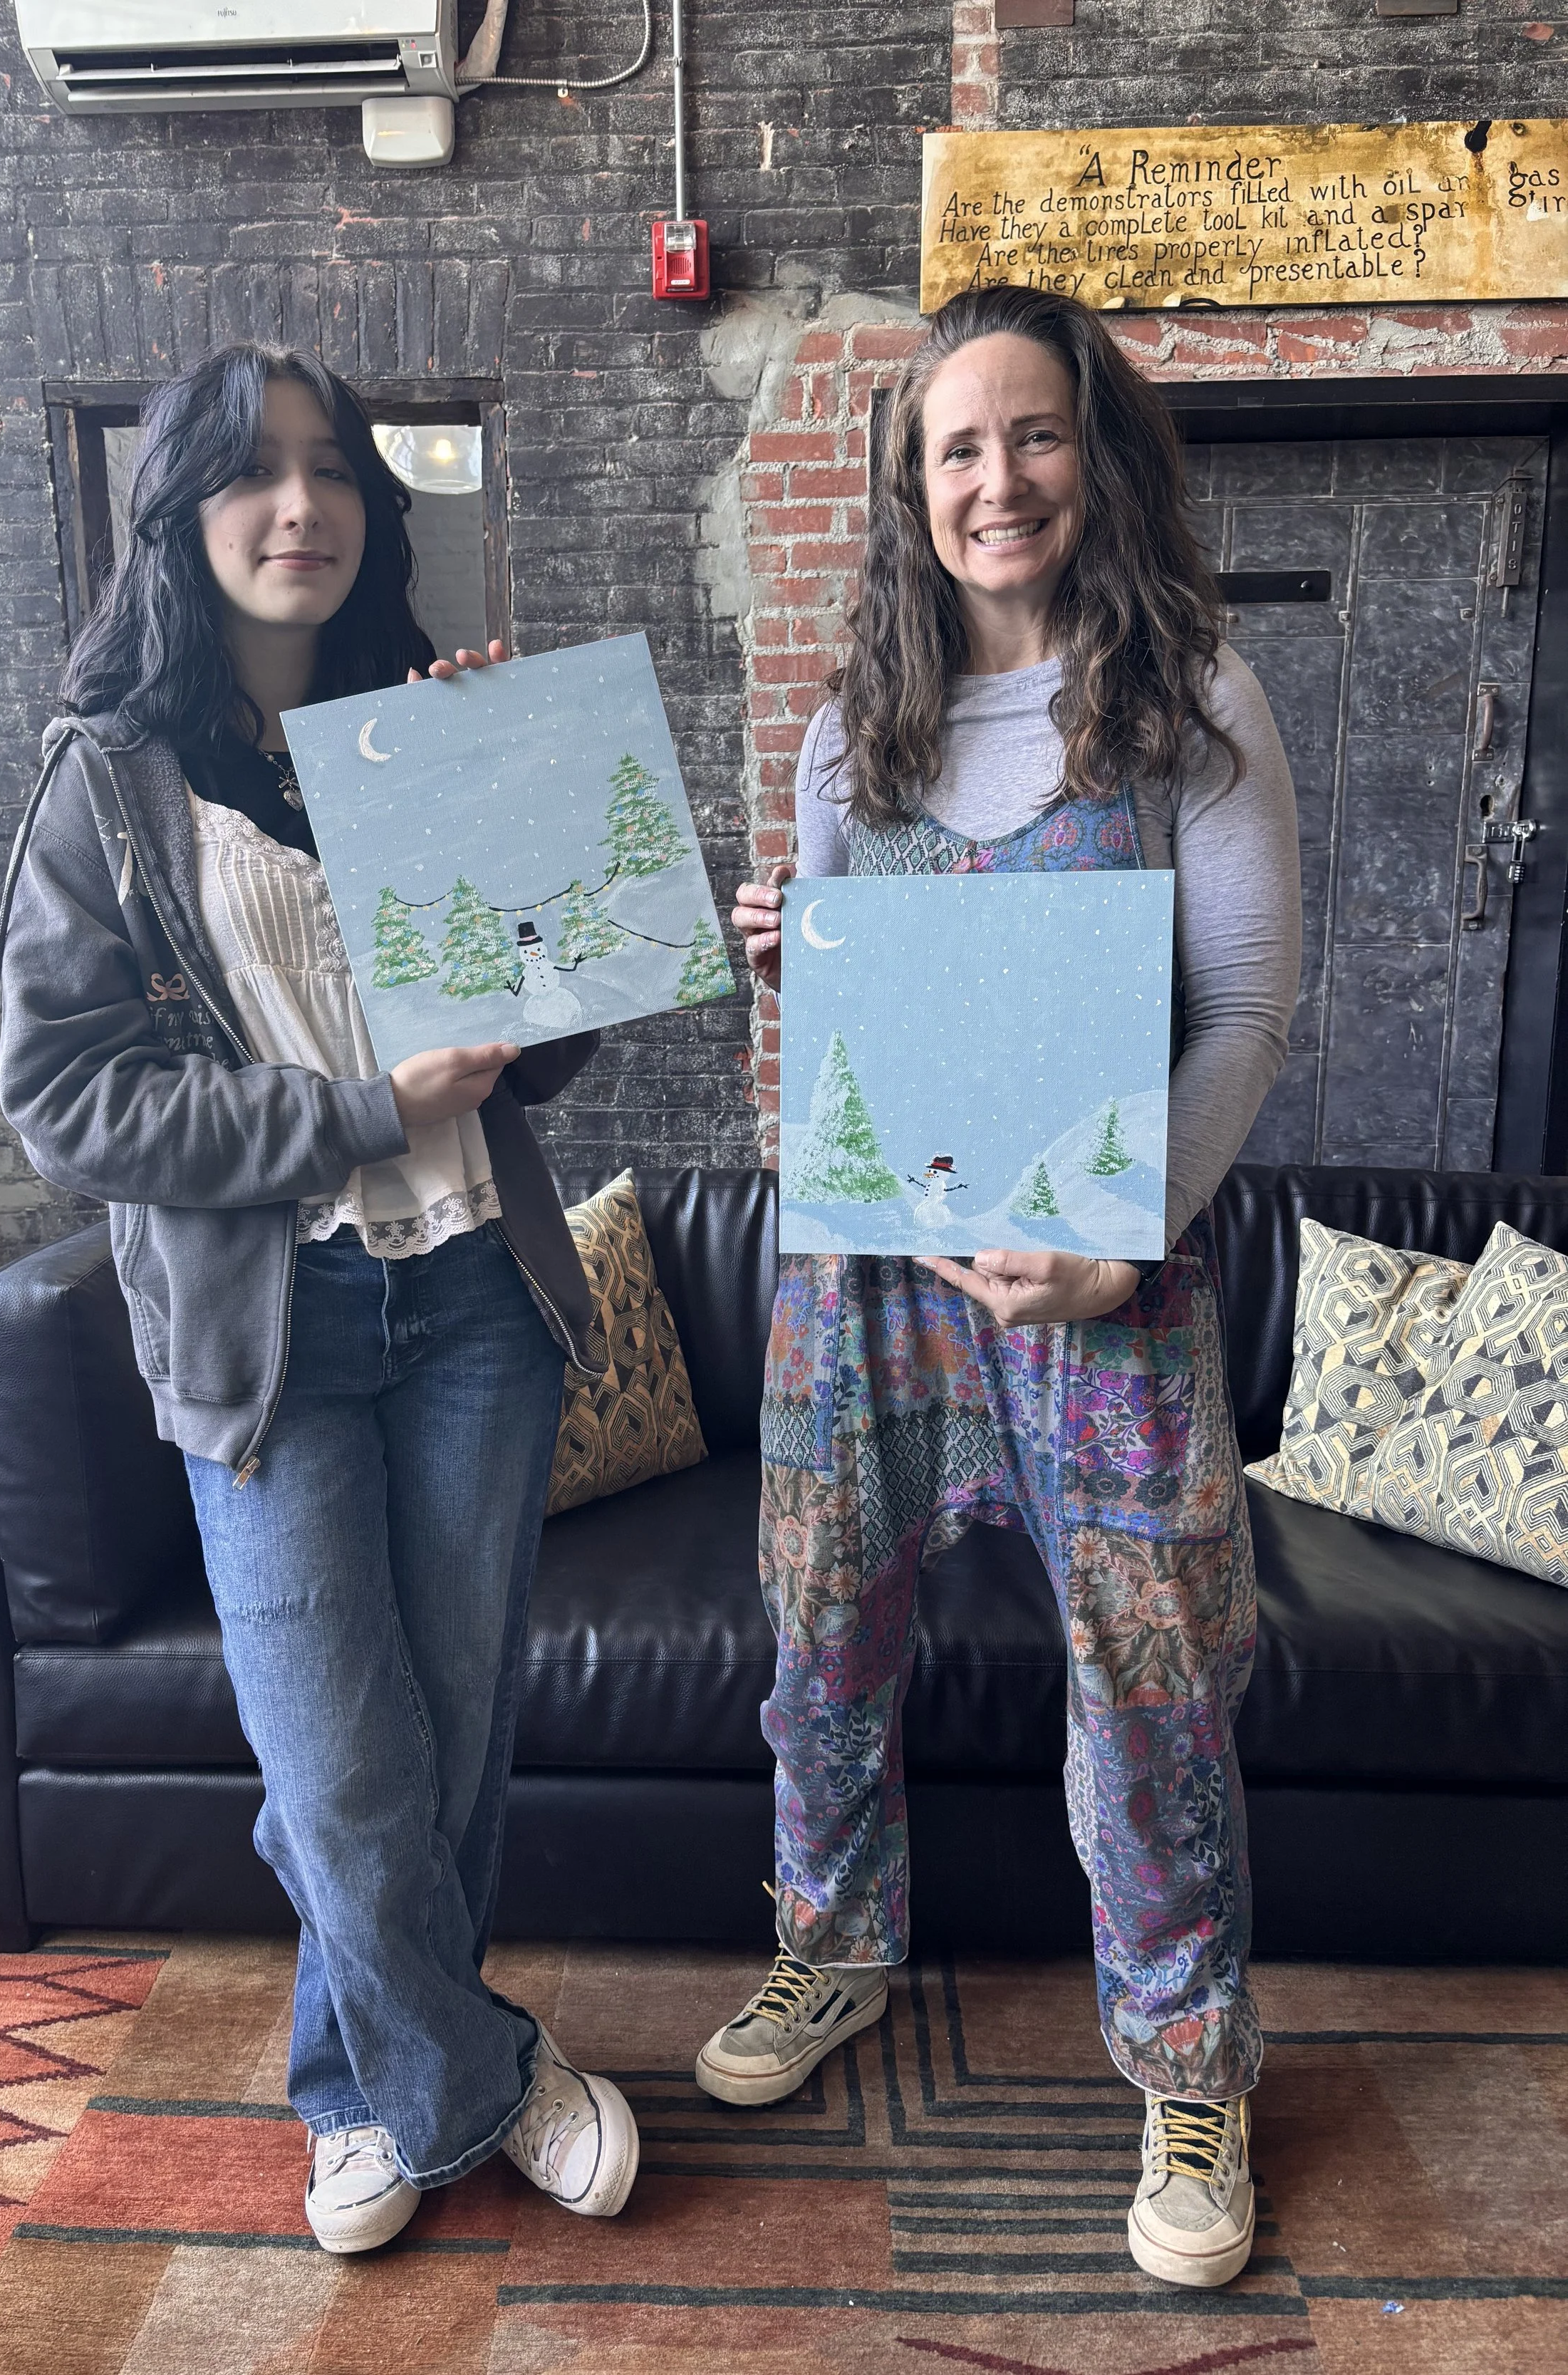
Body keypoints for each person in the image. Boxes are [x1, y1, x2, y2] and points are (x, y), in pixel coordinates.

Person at [0, 344, 639, 2254]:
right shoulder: (109, 778)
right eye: (254, 475)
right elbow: (64, 1096)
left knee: (433, 1755)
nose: (302, 506)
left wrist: (525, 824)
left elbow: (553, 1051)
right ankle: (485, 2075)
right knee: (341, 1768)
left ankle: (354, 2090)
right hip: (274, 1332)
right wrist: (357, 1108)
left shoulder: (424, 728)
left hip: (473, 1305)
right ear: (179, 521)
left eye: (331, 468)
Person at [697, 285, 1301, 2290]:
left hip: (1102, 1280)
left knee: (1148, 1669)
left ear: (1093, 454)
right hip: (870, 1274)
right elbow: (848, 1055)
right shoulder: (836, 731)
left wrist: (1123, 1244)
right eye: (954, 448)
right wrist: (798, 960)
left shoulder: (1190, 698)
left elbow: (1243, 1010)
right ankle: (829, 1948)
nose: (995, 479)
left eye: (1031, 435)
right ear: (910, 486)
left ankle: (1189, 2059)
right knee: (816, 1619)